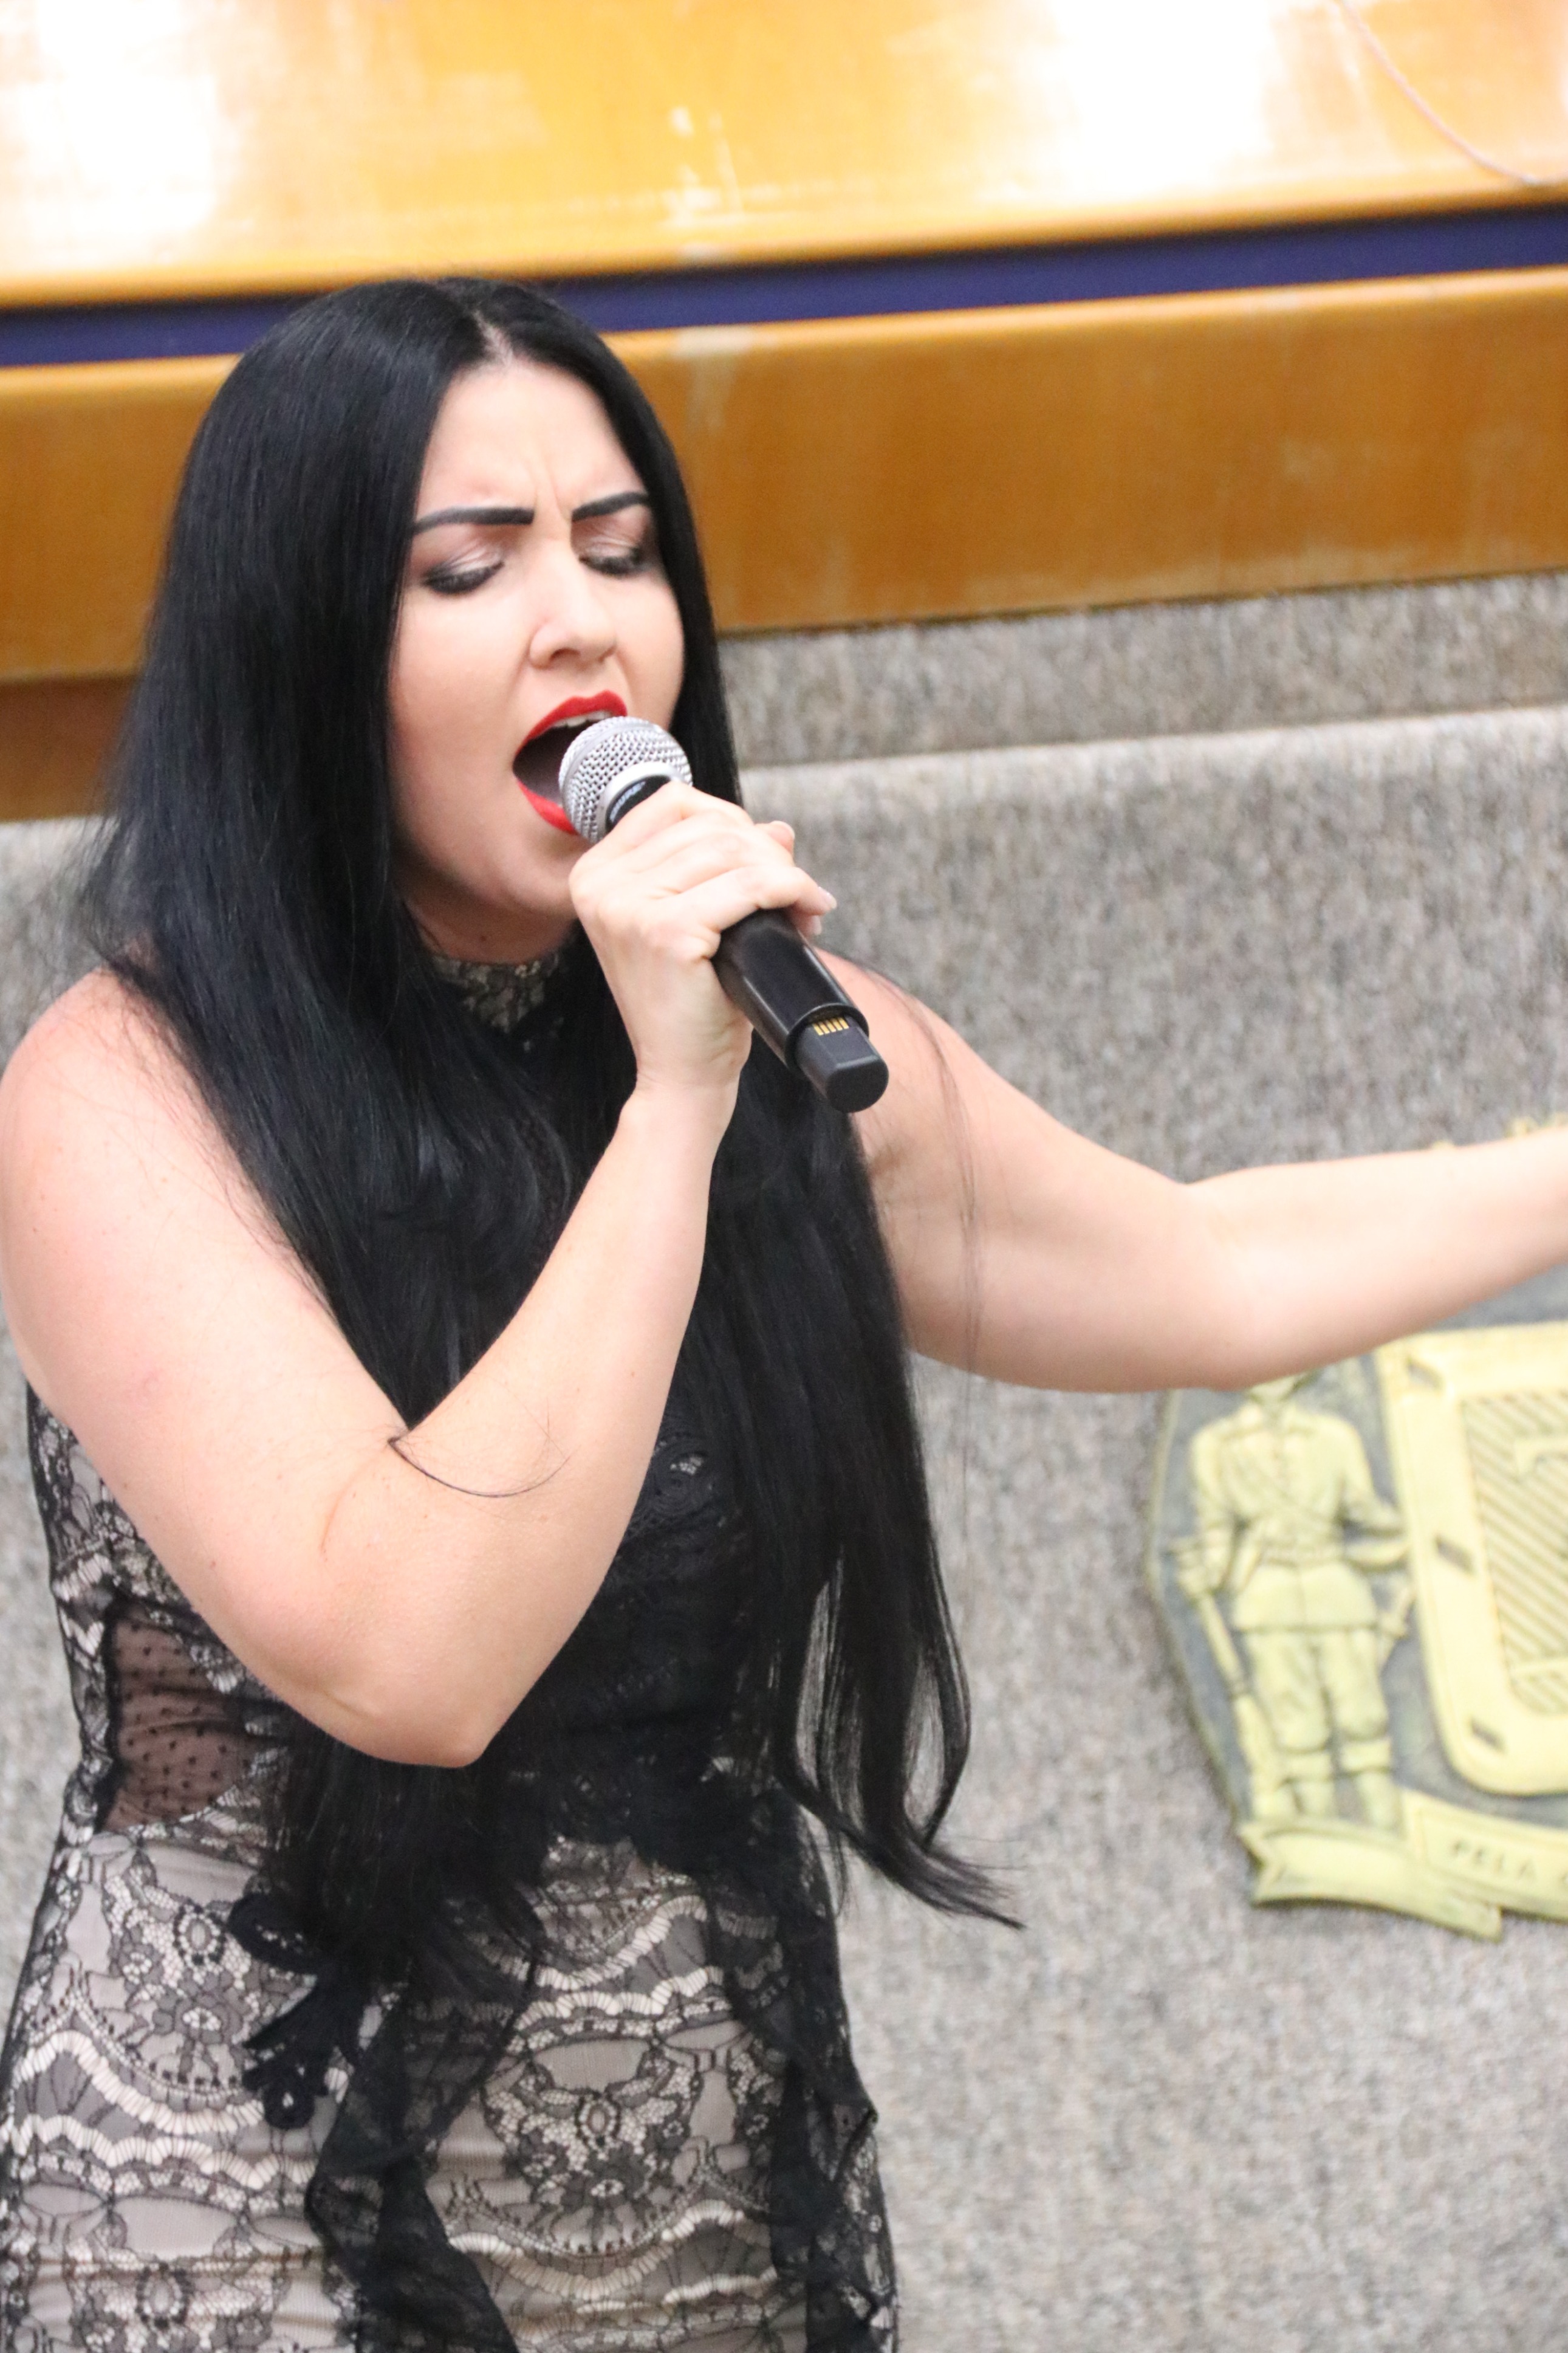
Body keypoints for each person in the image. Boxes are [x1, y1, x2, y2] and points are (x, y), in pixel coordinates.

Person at [2, 278, 1568, 2353]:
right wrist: (669, 1109)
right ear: (300, 651)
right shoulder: (122, 1101)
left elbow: (1208, 1267)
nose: (581, 624)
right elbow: (408, 1652)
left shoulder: (767, 1039)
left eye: (621, 550)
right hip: (232, 2210)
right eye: (472, 568)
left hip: (689, 2187)